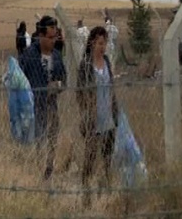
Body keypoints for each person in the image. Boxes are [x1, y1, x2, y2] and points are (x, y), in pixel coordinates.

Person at [19, 15, 67, 181]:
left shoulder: (57, 56)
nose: (53, 40)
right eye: (50, 37)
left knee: (52, 140)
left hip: (52, 107)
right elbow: (19, 82)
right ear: (40, 35)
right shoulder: (28, 56)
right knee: (36, 143)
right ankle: (35, 173)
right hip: (33, 109)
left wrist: (58, 86)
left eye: (55, 37)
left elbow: (64, 80)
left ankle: (48, 171)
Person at [76, 26, 119, 208]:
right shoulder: (85, 65)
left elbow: (111, 86)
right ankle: (86, 191)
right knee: (90, 156)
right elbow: (79, 93)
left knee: (108, 155)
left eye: (105, 43)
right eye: (100, 43)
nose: (103, 47)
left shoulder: (107, 61)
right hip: (93, 118)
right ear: (92, 43)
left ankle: (107, 189)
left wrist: (115, 108)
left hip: (108, 115)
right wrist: (88, 109)